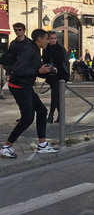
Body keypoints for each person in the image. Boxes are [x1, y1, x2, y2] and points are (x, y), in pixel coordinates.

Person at [1, 28, 59, 159]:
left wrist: (47, 70)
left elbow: (35, 69)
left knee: (42, 111)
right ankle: (6, 147)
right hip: (18, 86)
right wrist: (37, 69)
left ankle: (42, 145)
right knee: (27, 117)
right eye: (46, 39)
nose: (48, 41)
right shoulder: (29, 49)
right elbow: (19, 69)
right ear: (39, 39)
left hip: (25, 86)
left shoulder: (35, 49)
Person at [42, 31, 70, 123]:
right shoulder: (46, 49)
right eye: (52, 38)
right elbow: (45, 61)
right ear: (48, 39)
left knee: (54, 94)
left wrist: (66, 76)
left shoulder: (60, 49)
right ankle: (60, 116)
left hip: (61, 75)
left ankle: (51, 115)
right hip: (51, 75)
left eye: (55, 38)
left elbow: (65, 62)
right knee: (56, 96)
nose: (54, 40)